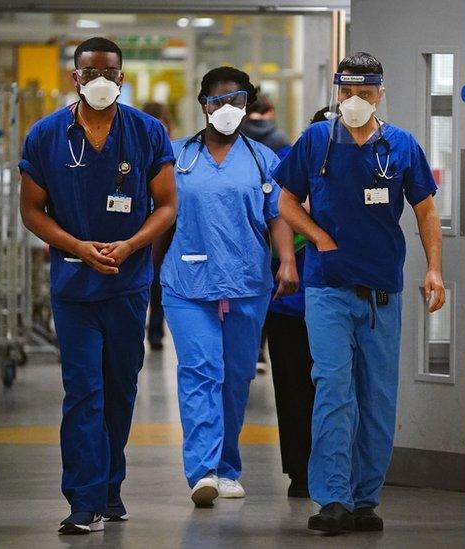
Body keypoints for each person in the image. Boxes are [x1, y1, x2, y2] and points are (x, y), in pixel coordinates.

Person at [274, 52, 446, 535]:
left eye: (365, 94)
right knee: (332, 388)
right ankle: (332, 498)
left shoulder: (401, 146)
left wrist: (434, 270)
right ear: (336, 92)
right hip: (328, 288)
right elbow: (284, 199)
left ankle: (365, 497)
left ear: (381, 93)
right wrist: (319, 237)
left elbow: (427, 212)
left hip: (381, 293)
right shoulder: (315, 142)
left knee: (376, 396)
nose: (355, 102)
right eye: (347, 93)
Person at [18, 37, 177, 535]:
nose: (100, 80)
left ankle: (110, 488)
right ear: (75, 77)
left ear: (123, 77)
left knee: (120, 390)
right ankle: (83, 499)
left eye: (109, 71)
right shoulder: (46, 135)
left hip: (128, 285)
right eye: (90, 72)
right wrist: (77, 246)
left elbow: (168, 205)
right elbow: (30, 211)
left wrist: (130, 246)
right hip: (74, 286)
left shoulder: (148, 132)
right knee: (83, 390)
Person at [157, 66, 298, 508]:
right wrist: (149, 269)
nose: (227, 109)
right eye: (218, 101)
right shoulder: (177, 158)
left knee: (236, 377)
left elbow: (278, 216)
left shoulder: (262, 160)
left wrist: (288, 261)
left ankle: (227, 467)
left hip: (246, 281)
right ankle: (203, 471)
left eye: (236, 100)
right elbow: (162, 216)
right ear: (203, 104)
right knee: (201, 370)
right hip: (186, 282)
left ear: (247, 105)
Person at [265, 106, 333, 500]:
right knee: (293, 388)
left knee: (335, 388)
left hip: (337, 297)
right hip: (293, 300)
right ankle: (301, 469)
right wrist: (288, 261)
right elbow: (280, 214)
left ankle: (335, 466)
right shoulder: (295, 161)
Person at [141, 102, 173, 351]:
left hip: (160, 220)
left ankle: (152, 330)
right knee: (153, 279)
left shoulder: (170, 149)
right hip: (154, 222)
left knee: (154, 278)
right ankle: (153, 331)